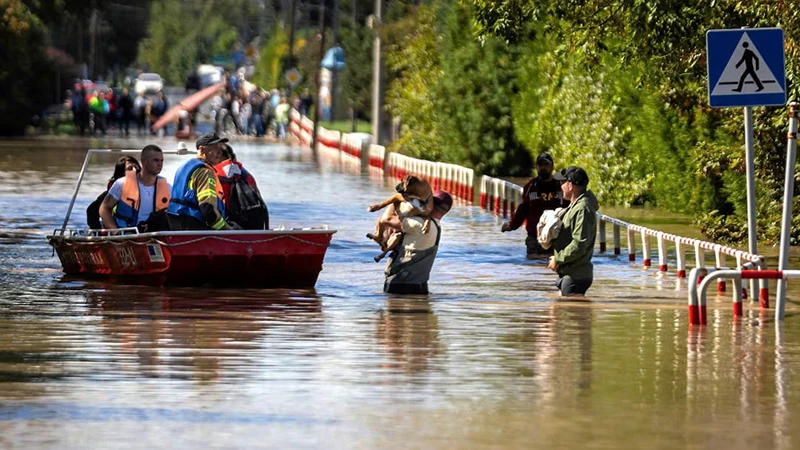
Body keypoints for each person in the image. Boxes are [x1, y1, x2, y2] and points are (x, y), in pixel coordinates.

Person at [384, 190, 453, 295]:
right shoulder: (436, 227)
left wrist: (396, 199)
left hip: (401, 285)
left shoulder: (419, 224)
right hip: (420, 286)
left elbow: (387, 219)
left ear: (430, 204)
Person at [501, 152, 568, 258]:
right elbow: (523, 209)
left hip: (555, 237)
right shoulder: (530, 186)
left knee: (552, 265)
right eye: (540, 165)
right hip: (534, 237)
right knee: (533, 266)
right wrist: (512, 225)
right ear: (536, 167)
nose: (543, 168)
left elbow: (569, 208)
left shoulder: (560, 186)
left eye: (546, 165)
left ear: (552, 167)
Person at [167, 132, 237, 230]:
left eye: (220, 147)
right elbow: (208, 208)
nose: (220, 152)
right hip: (193, 226)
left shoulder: (183, 168)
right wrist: (227, 229)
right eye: (215, 148)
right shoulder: (205, 172)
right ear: (202, 150)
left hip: (175, 223)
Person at [547, 166, 599, 296]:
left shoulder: (583, 209)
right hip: (569, 273)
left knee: (571, 315)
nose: (560, 186)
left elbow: (579, 244)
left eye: (562, 183)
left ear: (570, 185)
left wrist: (558, 259)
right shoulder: (576, 205)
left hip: (576, 276)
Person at [99, 146, 171, 232]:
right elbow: (104, 208)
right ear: (144, 162)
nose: (160, 164)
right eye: (156, 160)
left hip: (155, 236)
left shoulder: (168, 188)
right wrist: (115, 232)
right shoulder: (121, 184)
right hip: (126, 236)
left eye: (161, 160)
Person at [214, 144, 269, 229]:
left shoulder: (213, 174)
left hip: (227, 226)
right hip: (251, 226)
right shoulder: (246, 175)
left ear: (217, 156)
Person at [86, 156, 141, 229]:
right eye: (130, 168)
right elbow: (91, 212)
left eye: (137, 168)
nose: (135, 171)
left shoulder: (149, 188)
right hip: (120, 230)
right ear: (121, 173)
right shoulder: (113, 192)